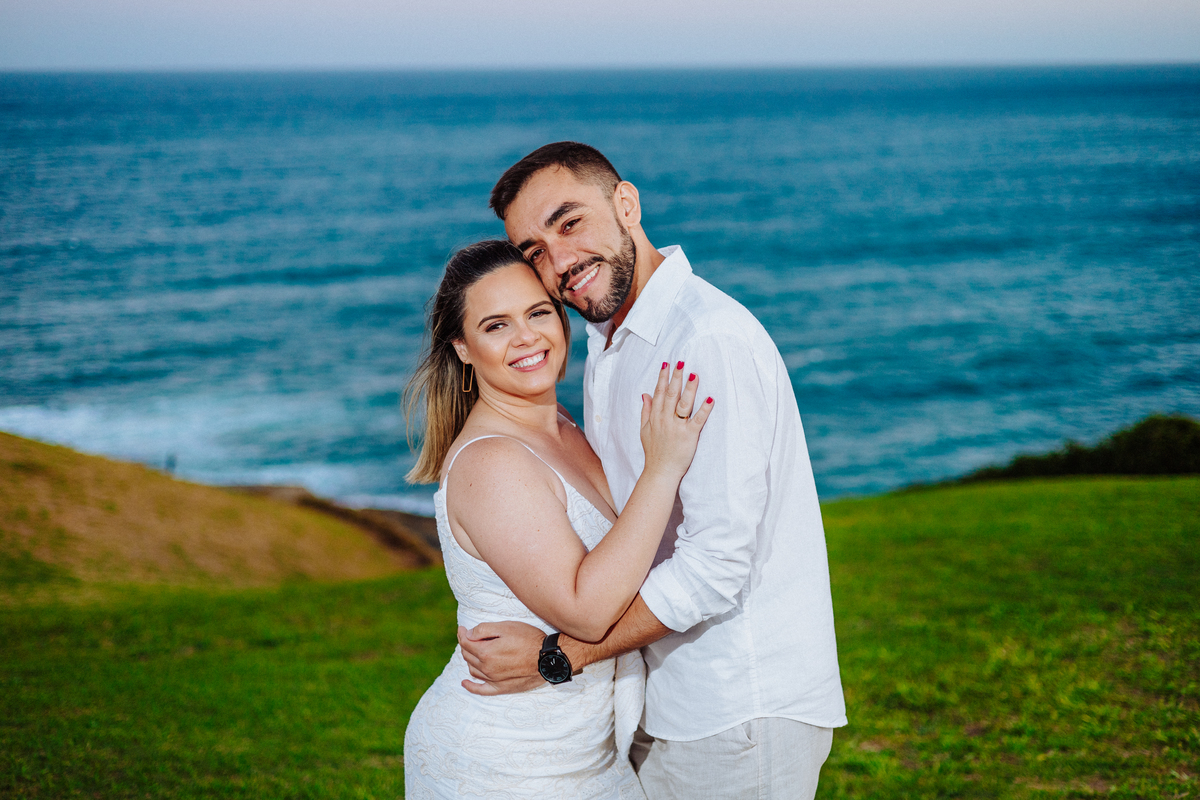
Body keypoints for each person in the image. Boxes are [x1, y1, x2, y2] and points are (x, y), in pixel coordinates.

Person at [457, 142, 848, 799]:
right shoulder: (610, 342)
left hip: (735, 707)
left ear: (626, 204)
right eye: (534, 251)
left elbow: (716, 563)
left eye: (570, 222)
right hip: (660, 703)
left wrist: (558, 656)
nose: (560, 262)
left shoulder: (704, 341)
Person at [401, 239, 714, 799]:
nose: (527, 337)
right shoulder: (492, 462)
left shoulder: (562, 425)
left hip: (589, 755)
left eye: (538, 312)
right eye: (496, 325)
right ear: (462, 348)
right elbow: (586, 612)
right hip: (502, 763)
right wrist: (662, 468)